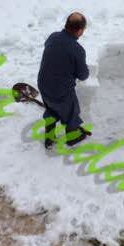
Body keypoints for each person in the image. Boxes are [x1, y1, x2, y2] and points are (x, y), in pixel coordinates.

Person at [37, 11, 91, 149]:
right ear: (79, 30)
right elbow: (83, 75)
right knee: (72, 112)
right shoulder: (77, 50)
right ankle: (73, 137)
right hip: (61, 90)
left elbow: (56, 53)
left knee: (51, 108)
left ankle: (49, 137)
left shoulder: (53, 37)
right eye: (83, 30)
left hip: (43, 84)